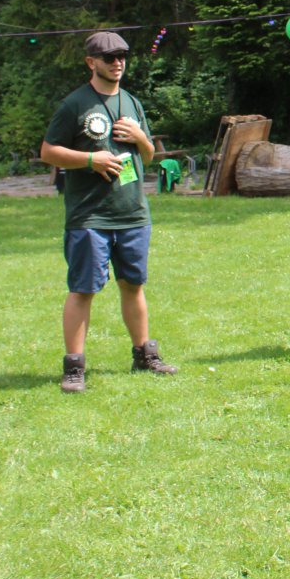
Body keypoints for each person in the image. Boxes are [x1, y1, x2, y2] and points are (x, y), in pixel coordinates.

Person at [39, 31, 177, 392]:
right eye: (109, 57)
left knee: (133, 285)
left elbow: (147, 157)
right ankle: (74, 367)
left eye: (122, 57)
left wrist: (141, 138)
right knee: (83, 289)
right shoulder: (74, 105)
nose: (118, 63)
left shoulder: (131, 102)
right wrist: (89, 159)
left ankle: (144, 356)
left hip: (132, 213)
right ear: (91, 62)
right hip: (90, 216)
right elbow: (48, 151)